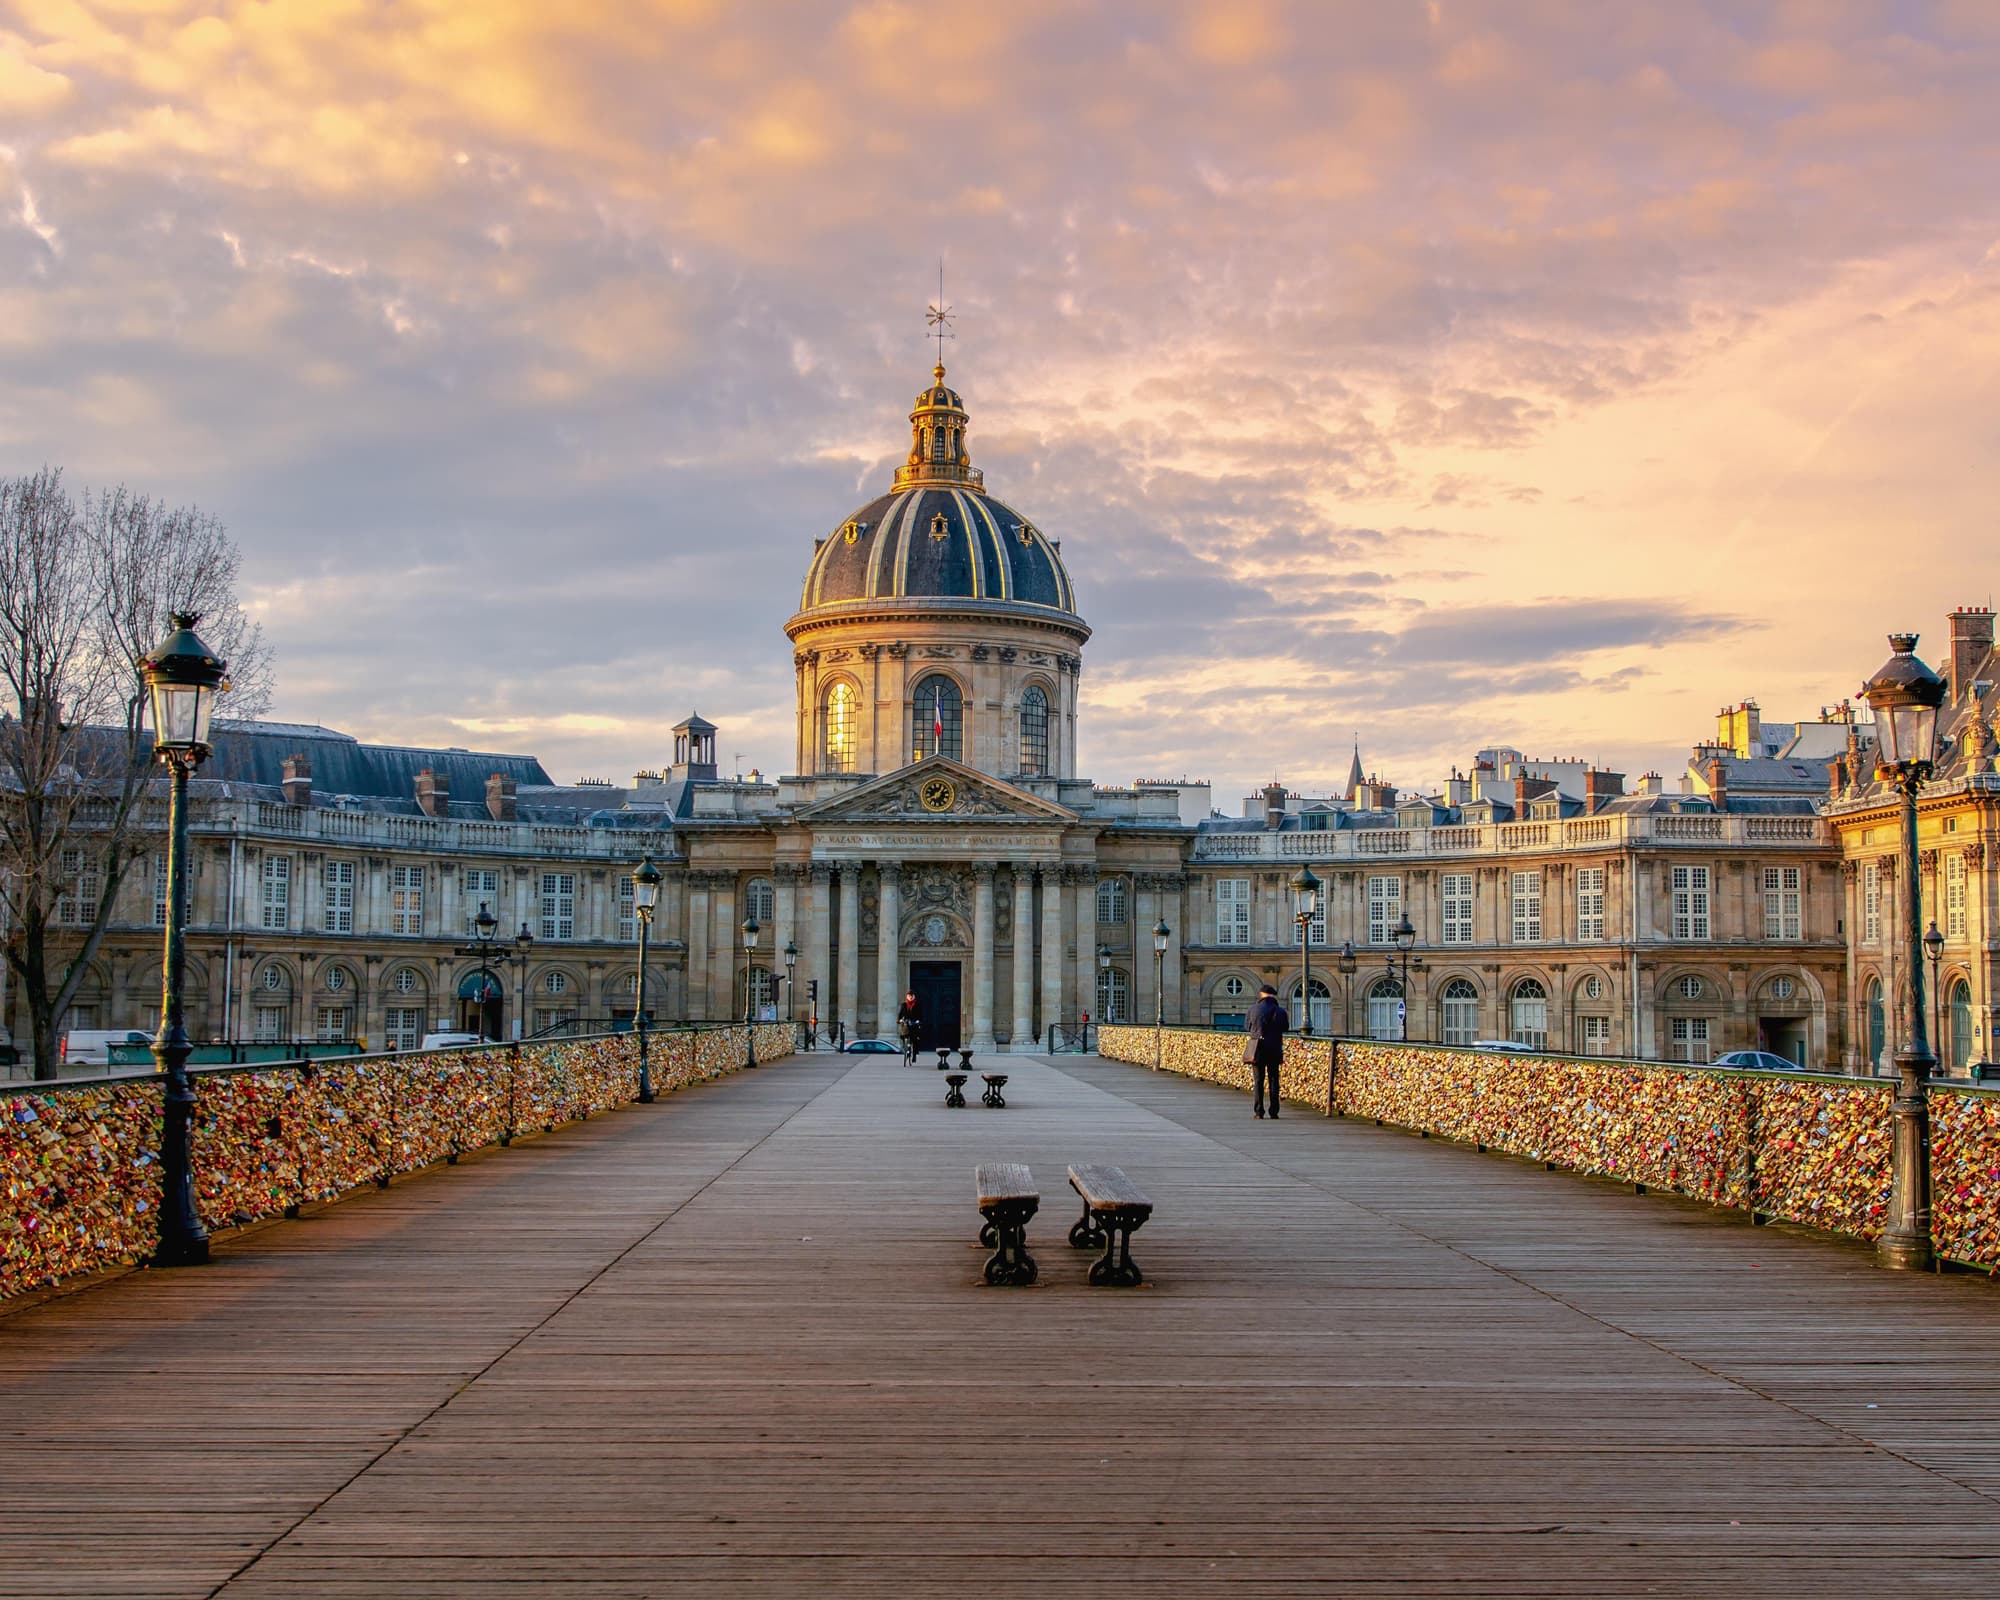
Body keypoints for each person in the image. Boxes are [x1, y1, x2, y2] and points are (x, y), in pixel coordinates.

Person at [1244, 982, 1289, 1119]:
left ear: (1261, 994)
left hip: (1258, 1048)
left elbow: (1247, 1027)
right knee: (1274, 1079)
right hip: (1274, 1048)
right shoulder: (1280, 1011)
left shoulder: (1253, 1009)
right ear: (1273, 996)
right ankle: (1274, 1111)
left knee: (1258, 1080)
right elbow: (1285, 1027)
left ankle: (1259, 1111)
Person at [895, 990, 923, 1064]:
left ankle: (914, 1055)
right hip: (906, 1023)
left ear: (914, 996)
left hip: (914, 1023)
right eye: (909, 996)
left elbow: (921, 1015)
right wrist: (899, 1020)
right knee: (903, 1035)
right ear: (907, 996)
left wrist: (919, 1021)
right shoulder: (904, 1005)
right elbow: (900, 1014)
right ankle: (906, 1048)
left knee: (915, 1039)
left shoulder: (917, 1005)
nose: (910, 997)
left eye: (912, 996)